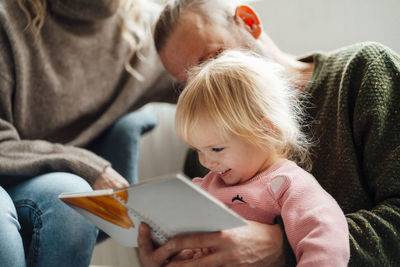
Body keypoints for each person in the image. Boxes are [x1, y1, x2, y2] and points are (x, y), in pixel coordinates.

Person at [138, 0, 400, 266]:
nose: (207, 83)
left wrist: (283, 245)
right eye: (190, 82)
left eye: (214, 59)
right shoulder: (206, 151)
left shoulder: (362, 74)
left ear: (249, 22)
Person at [0, 0, 176, 266]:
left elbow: (230, 68)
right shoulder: (7, 19)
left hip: (47, 182)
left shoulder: (150, 30)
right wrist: (87, 167)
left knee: (71, 198)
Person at [175, 49, 350, 266]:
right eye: (197, 150)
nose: (206, 162)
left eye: (216, 149)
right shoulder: (208, 186)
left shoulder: (287, 185)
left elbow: (327, 241)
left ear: (266, 131)